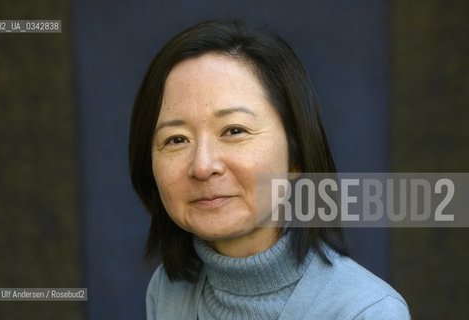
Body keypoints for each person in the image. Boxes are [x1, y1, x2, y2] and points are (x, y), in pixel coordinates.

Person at [129, 19, 410, 320]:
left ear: (296, 156)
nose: (202, 165)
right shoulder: (168, 291)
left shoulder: (367, 312)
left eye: (234, 130)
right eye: (176, 139)